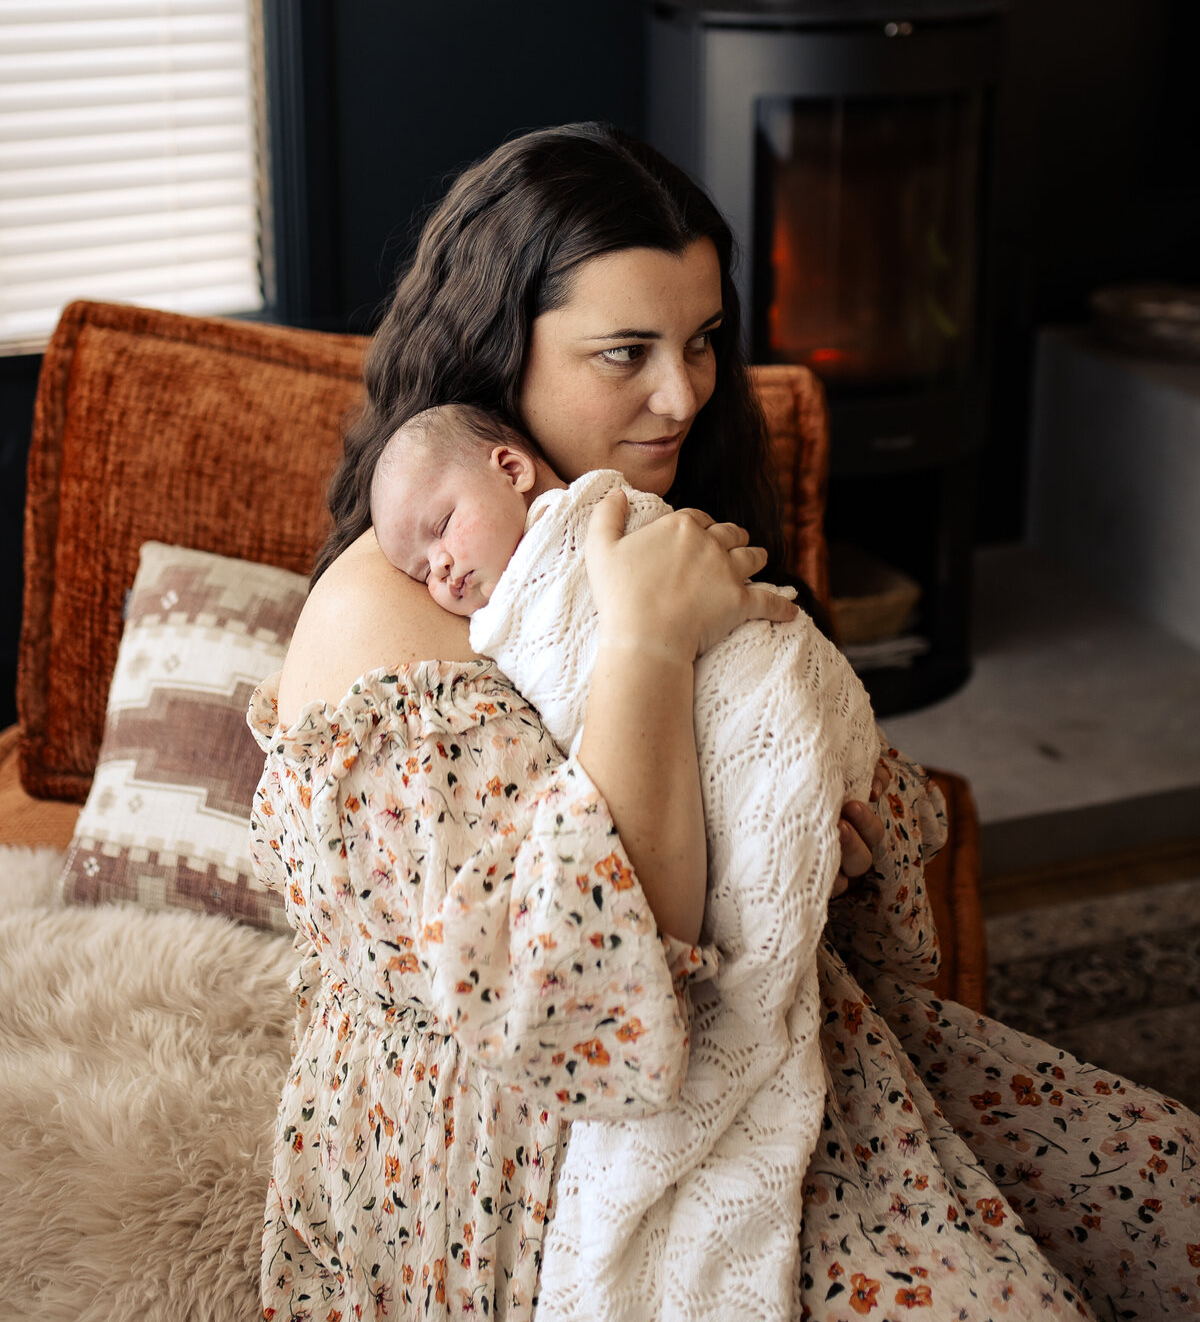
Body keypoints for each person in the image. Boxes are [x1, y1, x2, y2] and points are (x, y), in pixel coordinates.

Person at [248, 124, 1199, 1322]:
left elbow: (841, 771)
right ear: (500, 356)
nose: (684, 394)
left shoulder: (640, 524)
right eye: (625, 353)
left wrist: (826, 831)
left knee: (1161, 1187)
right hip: (520, 1163)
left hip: (783, 1041)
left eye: (701, 340)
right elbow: (585, 1012)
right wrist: (648, 644)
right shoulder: (394, 611)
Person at [368, 400, 880, 1309]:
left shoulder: (600, 524)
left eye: (442, 528)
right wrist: (649, 636)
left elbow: (737, 672)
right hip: (617, 1013)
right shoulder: (438, 641)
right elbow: (599, 859)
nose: (438, 568)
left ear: (510, 470)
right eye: (420, 566)